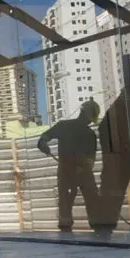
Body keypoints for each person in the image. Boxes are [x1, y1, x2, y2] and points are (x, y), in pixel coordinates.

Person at [37, 99, 101, 232]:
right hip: (67, 170)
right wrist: (42, 142)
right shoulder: (63, 126)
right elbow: (45, 136)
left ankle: (98, 225)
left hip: (83, 172)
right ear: (82, 113)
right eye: (89, 118)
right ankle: (66, 227)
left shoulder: (90, 134)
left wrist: (82, 169)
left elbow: (91, 158)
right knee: (66, 200)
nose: (89, 121)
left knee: (92, 198)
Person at [97, 75, 130, 234]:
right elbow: (105, 128)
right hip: (121, 153)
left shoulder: (125, 102)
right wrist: (113, 156)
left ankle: (104, 229)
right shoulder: (125, 103)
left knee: (111, 190)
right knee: (112, 191)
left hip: (125, 151)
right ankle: (104, 230)